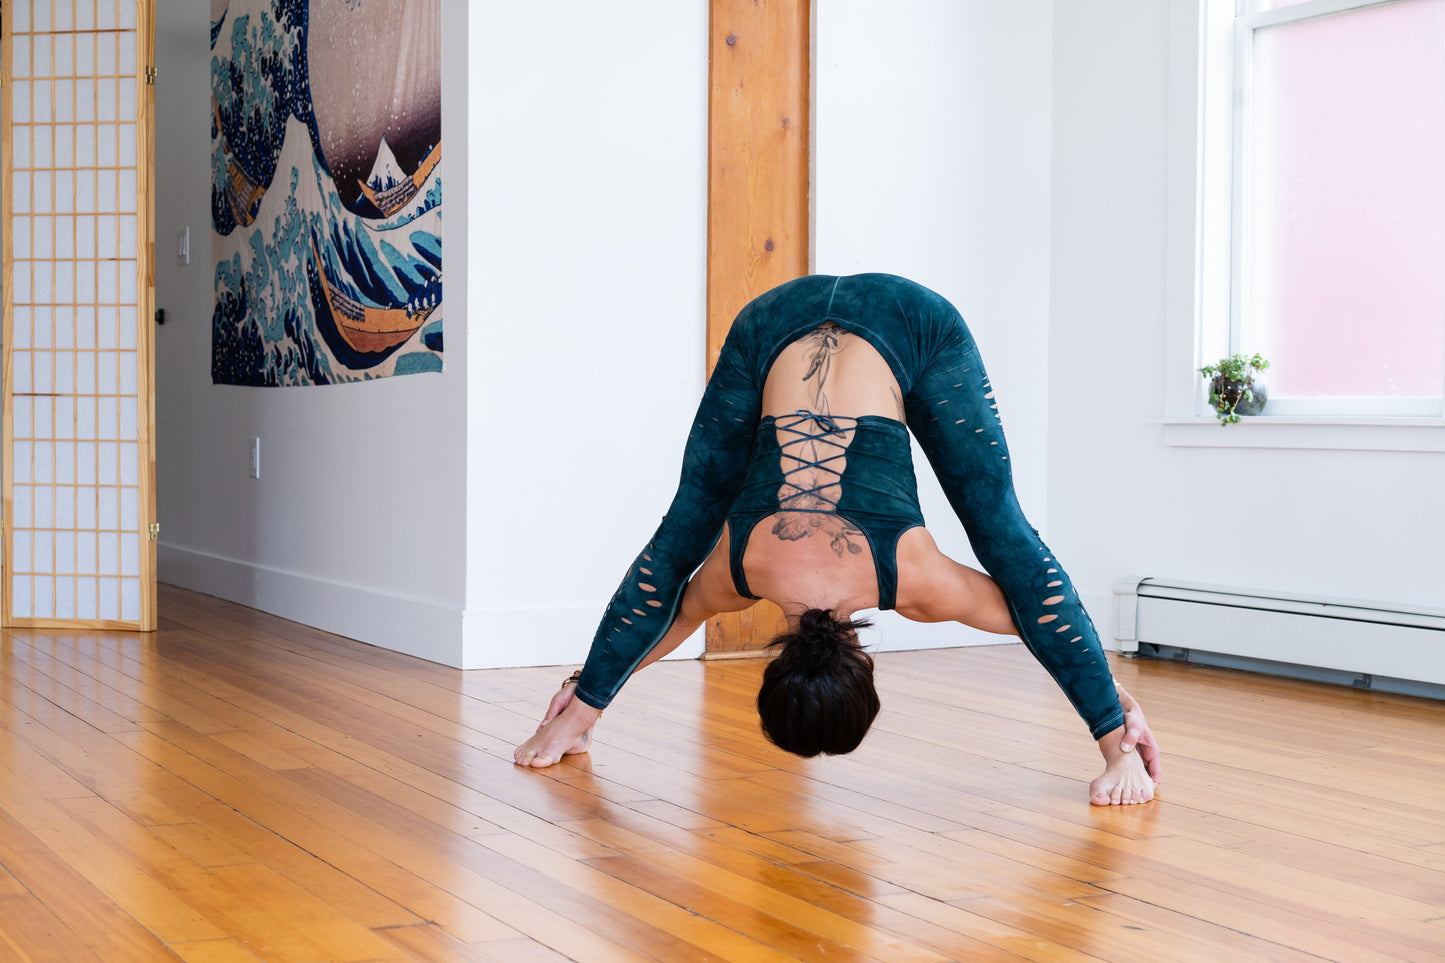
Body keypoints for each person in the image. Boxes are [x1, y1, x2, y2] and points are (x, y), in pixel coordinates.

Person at [514, 274, 1161, 805]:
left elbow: (1034, 608)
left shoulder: (910, 581)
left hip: (900, 322)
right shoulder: (742, 572)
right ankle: (576, 724)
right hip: (772, 319)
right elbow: (663, 600)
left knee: (1002, 530)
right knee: (678, 537)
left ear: (867, 666)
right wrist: (581, 698)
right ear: (775, 665)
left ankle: (1115, 751)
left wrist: (1114, 725)